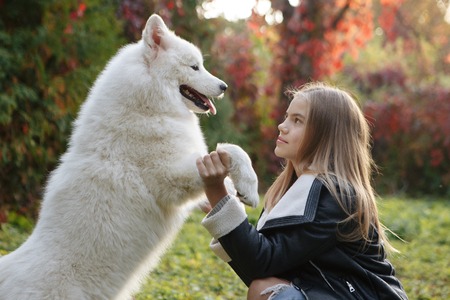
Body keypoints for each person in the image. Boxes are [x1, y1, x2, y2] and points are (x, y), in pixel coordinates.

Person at [196, 82, 408, 300]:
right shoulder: (292, 191)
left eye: (297, 120)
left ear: (326, 135)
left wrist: (218, 193)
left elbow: (261, 263)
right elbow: (260, 271)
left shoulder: (336, 196)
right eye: (287, 117)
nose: (282, 126)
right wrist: (223, 204)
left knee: (269, 293)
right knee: (263, 288)